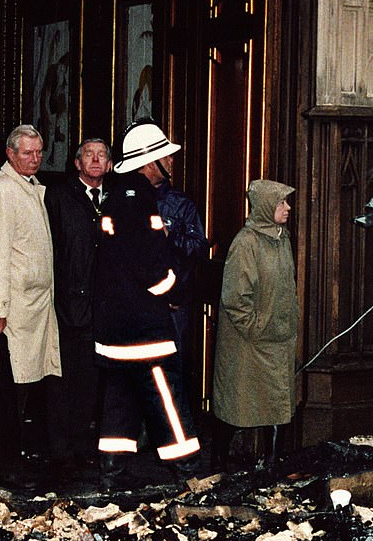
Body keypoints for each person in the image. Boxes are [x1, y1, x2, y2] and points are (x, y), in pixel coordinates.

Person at [93, 121, 201, 490]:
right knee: (166, 398)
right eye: (164, 156)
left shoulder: (114, 198)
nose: (170, 161)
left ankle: (112, 472)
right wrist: (173, 291)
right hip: (145, 327)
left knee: (119, 398)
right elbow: (153, 267)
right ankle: (189, 470)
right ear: (149, 162)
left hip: (114, 328)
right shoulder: (140, 201)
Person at [0, 124, 62, 486]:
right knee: (3, 391)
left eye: (39, 152)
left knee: (22, 388)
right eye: (27, 153)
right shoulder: (0, 193)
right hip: (11, 313)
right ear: (9, 154)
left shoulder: (28, 189)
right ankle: (1, 467)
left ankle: (14, 461)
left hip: (33, 309)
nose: (35, 158)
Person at [211, 179, 299, 472]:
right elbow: (235, 298)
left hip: (278, 340)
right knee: (237, 405)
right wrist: (257, 328)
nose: (287, 208)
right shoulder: (246, 243)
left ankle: (273, 465)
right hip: (250, 344)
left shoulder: (281, 237)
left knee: (278, 403)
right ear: (264, 206)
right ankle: (218, 464)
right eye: (281, 203)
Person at [44, 138, 112, 466]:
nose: (95, 160)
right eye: (89, 155)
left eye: (102, 155)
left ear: (110, 164)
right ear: (77, 162)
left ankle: (83, 447)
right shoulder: (58, 197)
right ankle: (60, 452)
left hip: (101, 309)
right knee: (62, 380)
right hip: (65, 306)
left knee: (91, 380)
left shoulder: (115, 199)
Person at [134, 118, 207, 403]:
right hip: (139, 302)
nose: (172, 162)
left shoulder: (182, 204)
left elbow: (198, 247)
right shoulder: (128, 198)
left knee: (170, 368)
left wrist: (170, 237)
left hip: (173, 304)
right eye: (166, 157)